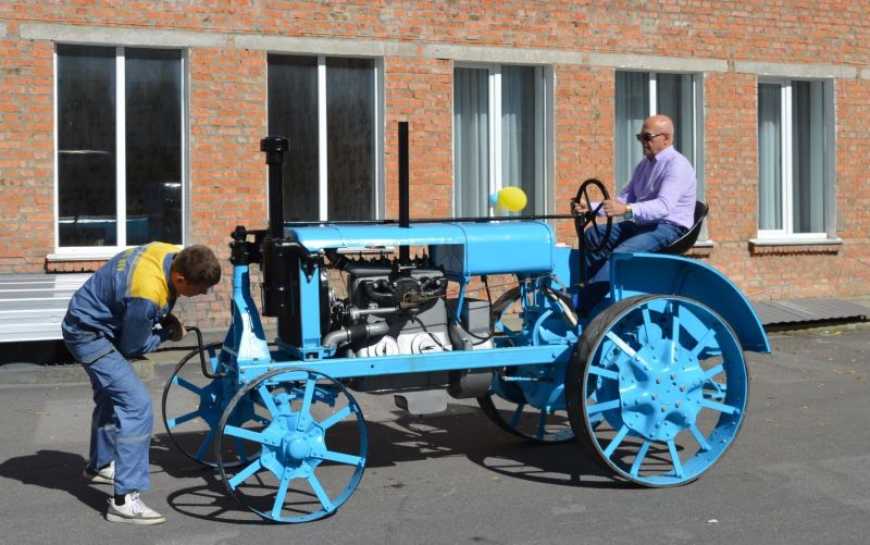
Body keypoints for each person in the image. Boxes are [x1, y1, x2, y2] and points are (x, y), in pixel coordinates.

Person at [61, 242, 221, 525]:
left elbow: (139, 308)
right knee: (136, 405)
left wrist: (164, 318)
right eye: (198, 290)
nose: (201, 295)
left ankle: (99, 466)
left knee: (112, 396)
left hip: (93, 318)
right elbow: (132, 347)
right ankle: (124, 500)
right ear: (180, 278)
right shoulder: (147, 293)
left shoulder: (171, 252)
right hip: (88, 335)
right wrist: (168, 334)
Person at [575, 114, 697, 312]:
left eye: (647, 137)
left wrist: (628, 210)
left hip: (669, 227)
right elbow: (623, 200)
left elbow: (663, 206)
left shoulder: (678, 166)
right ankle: (592, 291)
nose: (643, 142)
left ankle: (582, 305)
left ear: (665, 138)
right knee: (593, 235)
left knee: (620, 255)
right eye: (640, 137)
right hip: (642, 223)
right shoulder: (644, 165)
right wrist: (592, 207)